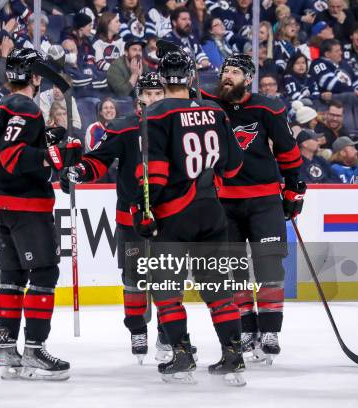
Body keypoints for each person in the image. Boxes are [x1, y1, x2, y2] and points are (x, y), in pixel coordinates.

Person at [132, 48, 246, 385]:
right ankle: (233, 354)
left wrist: (144, 210)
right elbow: (233, 165)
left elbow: (156, 174)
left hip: (175, 215)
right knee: (217, 287)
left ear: (164, 80)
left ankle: (181, 354)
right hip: (211, 211)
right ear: (192, 78)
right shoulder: (215, 112)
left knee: (167, 287)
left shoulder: (156, 113)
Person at [0, 48, 83, 381]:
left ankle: (8, 350)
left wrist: (46, 140)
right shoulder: (25, 107)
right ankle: (34, 350)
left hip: (2, 204)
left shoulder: (1, 105)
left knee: (12, 277)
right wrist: (53, 154)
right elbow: (13, 158)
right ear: (35, 76)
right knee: (43, 274)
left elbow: (5, 149)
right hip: (26, 205)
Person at [59, 72, 174, 365]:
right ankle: (138, 330)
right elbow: (98, 160)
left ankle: (167, 332)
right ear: (138, 99)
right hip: (130, 216)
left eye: (157, 94)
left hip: (170, 215)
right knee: (134, 278)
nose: (152, 99)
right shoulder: (123, 128)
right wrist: (80, 171)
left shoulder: (176, 126)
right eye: (147, 94)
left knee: (167, 279)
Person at [201, 54, 305, 364]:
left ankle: (270, 331)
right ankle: (247, 329)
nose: (227, 76)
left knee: (269, 264)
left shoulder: (267, 107)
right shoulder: (208, 103)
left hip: (264, 199)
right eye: (225, 71)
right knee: (234, 268)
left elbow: (287, 150)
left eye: (234, 71)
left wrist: (294, 188)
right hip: (224, 200)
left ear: (248, 78)